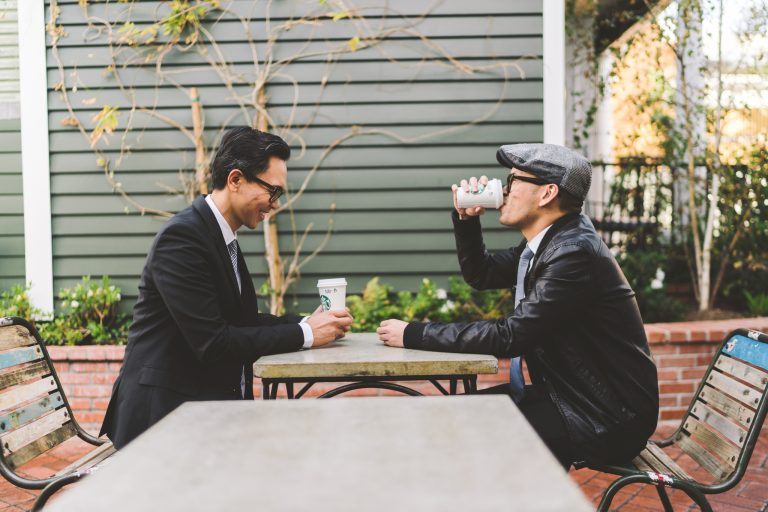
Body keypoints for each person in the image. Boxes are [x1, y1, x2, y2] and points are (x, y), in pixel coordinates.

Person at [377, 143, 659, 468]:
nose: (503, 190)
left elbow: (512, 336)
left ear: (547, 193)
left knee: (457, 428)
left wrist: (412, 333)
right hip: (569, 399)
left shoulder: (573, 253)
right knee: (448, 415)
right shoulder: (548, 243)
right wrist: (466, 220)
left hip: (603, 417)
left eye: (512, 181)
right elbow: (482, 274)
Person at [101, 127, 353, 448]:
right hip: (162, 420)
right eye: (272, 192)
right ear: (235, 180)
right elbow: (214, 343)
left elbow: (242, 323)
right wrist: (306, 335)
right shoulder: (182, 239)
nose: (275, 205)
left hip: (202, 412)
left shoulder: (221, 236)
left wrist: (309, 323)